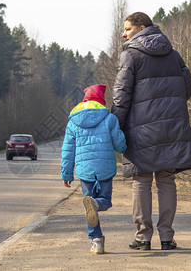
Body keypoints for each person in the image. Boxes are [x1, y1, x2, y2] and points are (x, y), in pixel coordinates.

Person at [111, 12, 191, 251]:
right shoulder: (173, 55)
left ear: (140, 28)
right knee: (166, 180)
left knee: (141, 181)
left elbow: (121, 97)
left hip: (141, 130)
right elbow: (187, 89)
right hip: (171, 127)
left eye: (127, 29)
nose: (124, 33)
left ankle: (143, 237)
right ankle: (167, 237)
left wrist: (115, 126)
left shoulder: (130, 56)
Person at [61, 84, 127, 255]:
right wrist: (125, 145)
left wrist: (66, 173)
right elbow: (120, 146)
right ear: (101, 101)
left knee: (88, 205)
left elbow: (68, 150)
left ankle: (96, 241)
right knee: (104, 200)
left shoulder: (73, 122)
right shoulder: (110, 119)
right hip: (104, 168)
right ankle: (98, 203)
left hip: (85, 170)